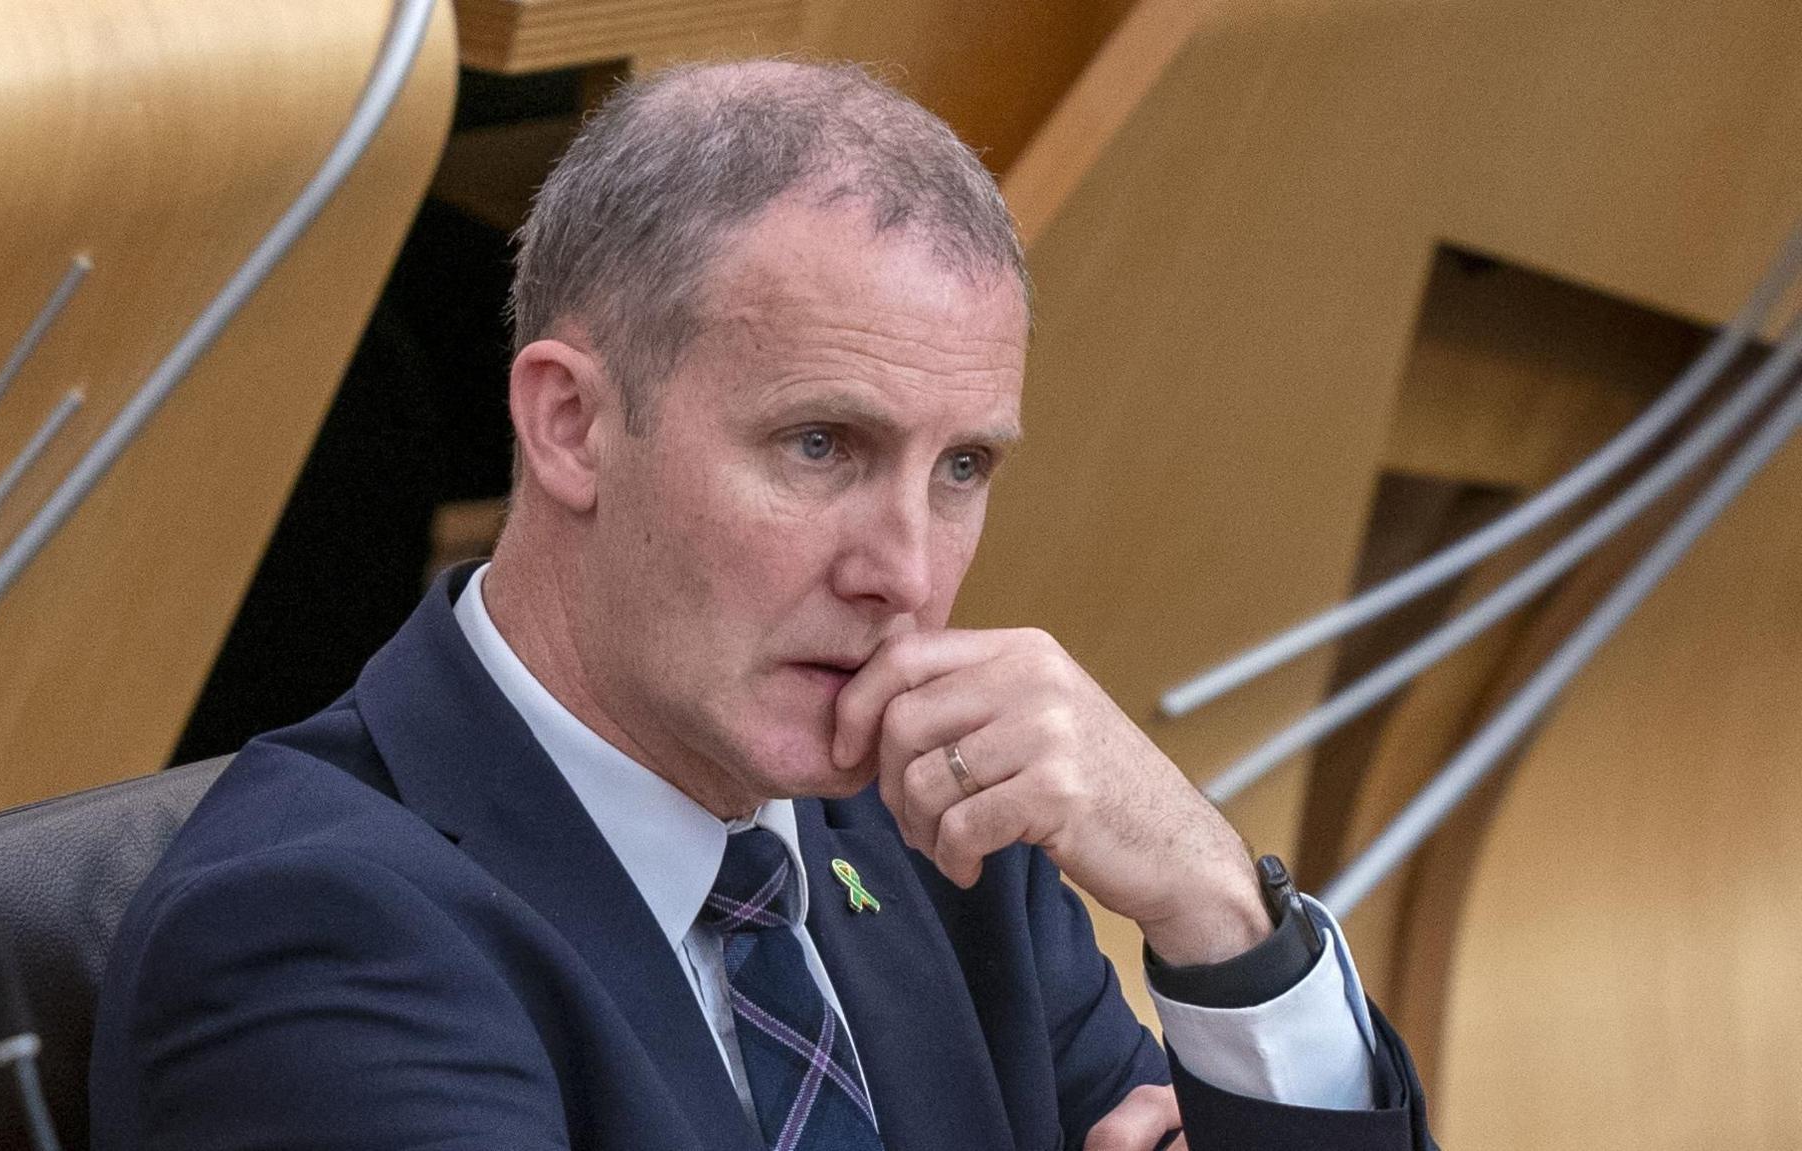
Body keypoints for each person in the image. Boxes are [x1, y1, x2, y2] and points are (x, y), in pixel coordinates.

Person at [90, 59, 1433, 1150]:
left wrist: (1215, 911)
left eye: (961, 467)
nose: (904, 572)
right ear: (571, 426)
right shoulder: (311, 930)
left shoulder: (943, 840)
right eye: (820, 448)